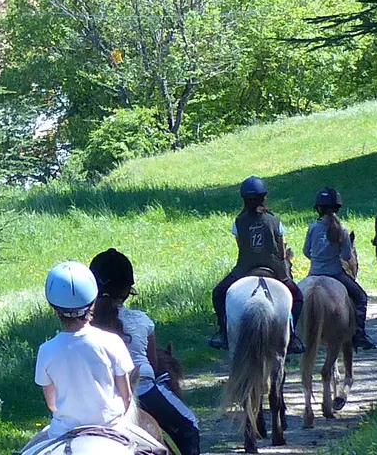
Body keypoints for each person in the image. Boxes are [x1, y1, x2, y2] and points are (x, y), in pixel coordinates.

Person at [90, 249, 201, 455]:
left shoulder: (85, 327)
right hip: (143, 392)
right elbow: (154, 365)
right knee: (189, 424)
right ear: (127, 289)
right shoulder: (141, 321)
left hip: (96, 398)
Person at [31, 261, 137, 442]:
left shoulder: (46, 350)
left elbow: (52, 404)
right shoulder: (112, 342)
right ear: (93, 303)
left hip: (63, 433)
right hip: (113, 428)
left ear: (55, 310)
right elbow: (127, 398)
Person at [207, 176, 303, 352]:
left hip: (245, 268)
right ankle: (293, 336)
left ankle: (224, 333)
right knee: (298, 297)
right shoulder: (275, 221)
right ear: (264, 197)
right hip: (275, 268)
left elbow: (241, 246)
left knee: (218, 293)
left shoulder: (238, 222)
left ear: (243, 199)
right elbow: (282, 252)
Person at [303, 187, 376, 350]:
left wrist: (318, 259)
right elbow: (347, 255)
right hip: (335, 273)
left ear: (318, 208)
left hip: (313, 273)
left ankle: (294, 334)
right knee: (361, 297)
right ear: (337, 208)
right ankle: (359, 334)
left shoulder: (312, 228)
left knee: (296, 299)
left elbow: (306, 251)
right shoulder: (342, 230)